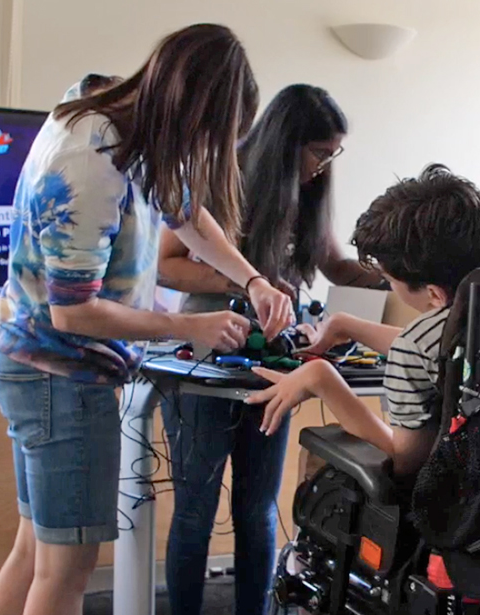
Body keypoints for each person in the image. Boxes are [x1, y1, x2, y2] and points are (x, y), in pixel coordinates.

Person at [0, 24, 293, 615]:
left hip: (34, 368)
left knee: (34, 553)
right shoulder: (91, 164)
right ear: (192, 111)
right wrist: (187, 327)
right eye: (211, 136)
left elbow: (185, 212)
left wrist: (251, 278)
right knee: (65, 571)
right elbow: (73, 313)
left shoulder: (116, 109)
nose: (206, 152)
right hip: (60, 375)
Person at [155, 84, 384, 615]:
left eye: (334, 155)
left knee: (258, 508)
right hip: (207, 357)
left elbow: (335, 266)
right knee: (195, 508)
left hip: (270, 363)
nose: (326, 167)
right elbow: (167, 261)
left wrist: (397, 276)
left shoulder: (308, 194)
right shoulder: (221, 177)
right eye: (320, 153)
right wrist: (249, 282)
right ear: (287, 144)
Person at [247, 163, 480, 476]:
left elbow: (407, 468)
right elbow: (444, 349)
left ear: (434, 295)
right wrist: (345, 324)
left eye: (389, 280)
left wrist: (322, 379)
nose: (389, 287)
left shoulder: (413, 347)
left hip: (453, 505)